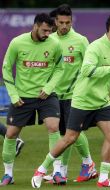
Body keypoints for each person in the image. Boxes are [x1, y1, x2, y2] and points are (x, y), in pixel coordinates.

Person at [31, 14, 110, 188]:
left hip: (102, 101)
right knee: (69, 139)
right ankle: (41, 170)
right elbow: (87, 70)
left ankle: (103, 178)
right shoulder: (95, 47)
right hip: (83, 100)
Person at [0, 13, 65, 186]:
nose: (47, 34)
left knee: (53, 127)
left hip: (46, 96)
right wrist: (13, 94)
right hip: (22, 96)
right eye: (44, 30)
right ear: (35, 26)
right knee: (11, 133)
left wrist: (49, 87)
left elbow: (60, 68)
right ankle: (8, 174)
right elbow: (6, 68)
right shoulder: (17, 42)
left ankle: (57, 171)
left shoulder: (55, 44)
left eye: (50, 31)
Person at [42, 4, 98, 183]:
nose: (64, 25)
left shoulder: (81, 40)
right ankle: (63, 172)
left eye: (68, 22)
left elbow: (89, 65)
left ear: (72, 21)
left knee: (71, 132)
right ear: (55, 22)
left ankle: (88, 163)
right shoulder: (49, 40)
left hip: (74, 94)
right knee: (62, 134)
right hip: (54, 94)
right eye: (61, 22)